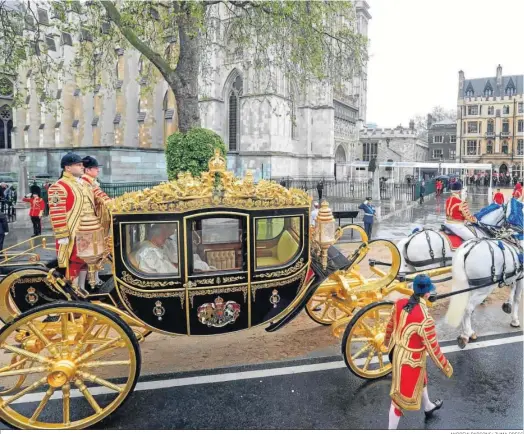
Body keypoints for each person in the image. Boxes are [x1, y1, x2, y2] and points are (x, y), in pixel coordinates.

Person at [384, 274, 453, 430]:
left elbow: (389, 326)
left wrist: (386, 342)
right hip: (409, 360)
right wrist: (446, 367)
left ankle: (427, 405)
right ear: (428, 294)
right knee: (397, 401)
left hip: (395, 351)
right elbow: (434, 349)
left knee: (421, 376)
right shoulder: (425, 318)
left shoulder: (399, 303)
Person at [48, 152, 98, 291]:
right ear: (67, 168)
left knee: (85, 261)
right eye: (78, 165)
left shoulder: (83, 184)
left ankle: (81, 288)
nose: (82, 167)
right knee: (74, 262)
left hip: (88, 230)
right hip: (73, 233)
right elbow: (57, 213)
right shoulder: (59, 186)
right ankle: (72, 290)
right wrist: (62, 235)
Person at [81, 156, 112, 235]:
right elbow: (100, 196)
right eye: (96, 168)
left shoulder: (90, 181)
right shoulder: (86, 182)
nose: (98, 170)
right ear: (87, 170)